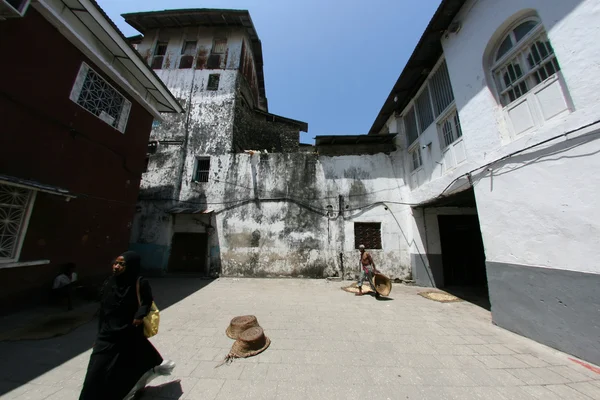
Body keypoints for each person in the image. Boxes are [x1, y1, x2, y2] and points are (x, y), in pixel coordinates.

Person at [79, 251, 175, 400]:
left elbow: (146, 301)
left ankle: (124, 391)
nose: (116, 267)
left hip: (128, 332)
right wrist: (99, 335)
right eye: (115, 263)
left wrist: (139, 316)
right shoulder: (110, 282)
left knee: (125, 367)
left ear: (130, 266)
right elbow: (104, 311)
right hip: (107, 335)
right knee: (95, 370)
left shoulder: (139, 282)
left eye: (121, 264)